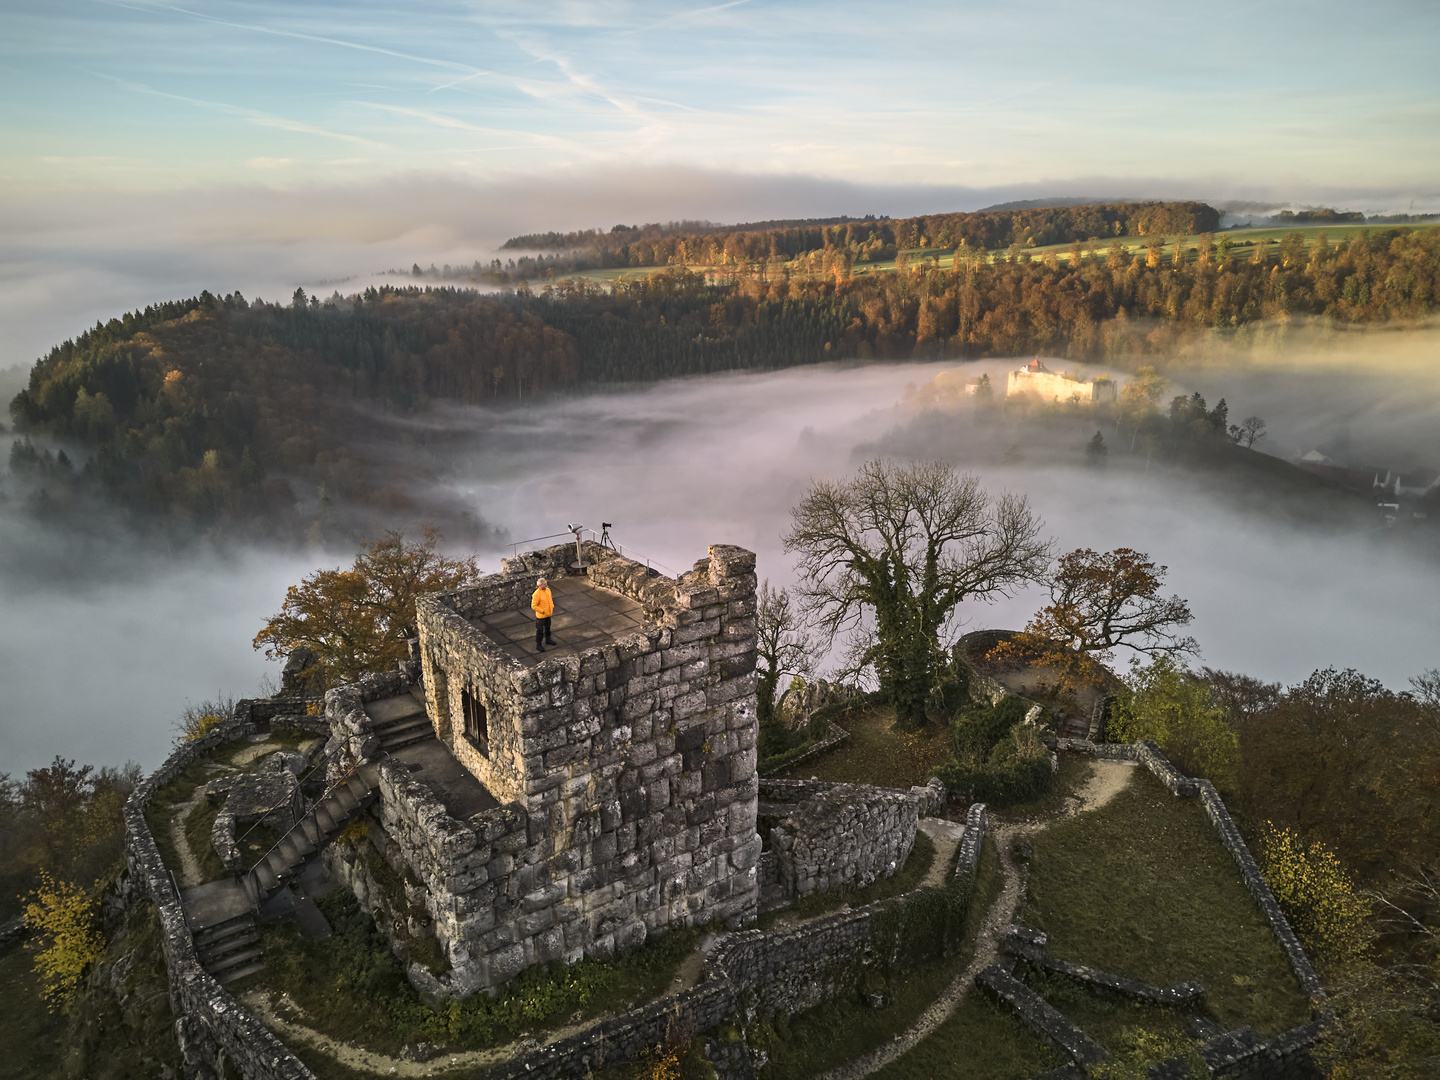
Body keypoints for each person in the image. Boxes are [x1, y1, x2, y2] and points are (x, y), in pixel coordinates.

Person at [531, 577, 555, 652]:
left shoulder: (548, 590)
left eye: (546, 583)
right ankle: (538, 645)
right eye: (544, 584)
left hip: (548, 614)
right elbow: (533, 606)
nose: (546, 585)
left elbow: (550, 599)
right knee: (540, 631)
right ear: (540, 585)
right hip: (541, 617)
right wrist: (542, 611)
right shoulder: (536, 594)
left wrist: (552, 606)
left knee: (548, 629)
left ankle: (548, 640)